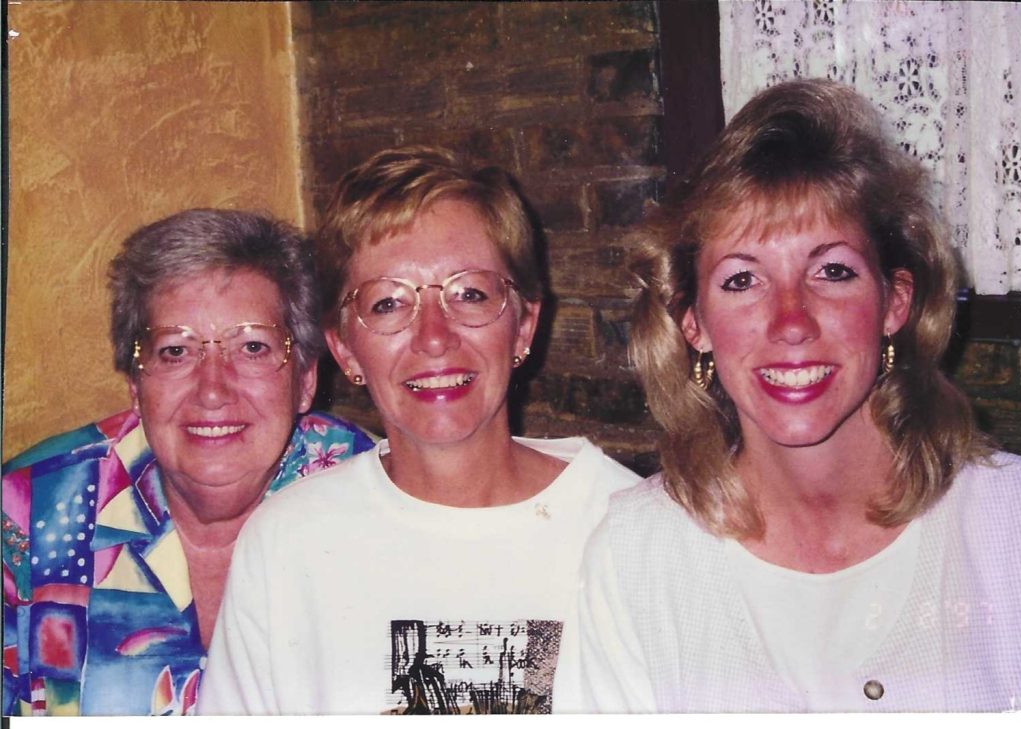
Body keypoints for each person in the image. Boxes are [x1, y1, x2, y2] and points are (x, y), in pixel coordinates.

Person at [570, 79, 1021, 712]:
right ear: (693, 323)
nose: (791, 322)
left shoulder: (1009, 523)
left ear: (894, 302)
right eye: (742, 280)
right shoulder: (636, 556)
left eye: (832, 271)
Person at [198, 146, 640, 715]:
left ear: (524, 325)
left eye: (469, 294)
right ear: (344, 348)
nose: (434, 337)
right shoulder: (287, 544)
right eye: (388, 303)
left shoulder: (629, 528)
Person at [1, 209, 374, 716]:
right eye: (176, 351)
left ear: (305, 380)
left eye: (252, 347)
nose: (213, 390)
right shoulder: (27, 514)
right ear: (135, 384)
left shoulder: (377, 501)